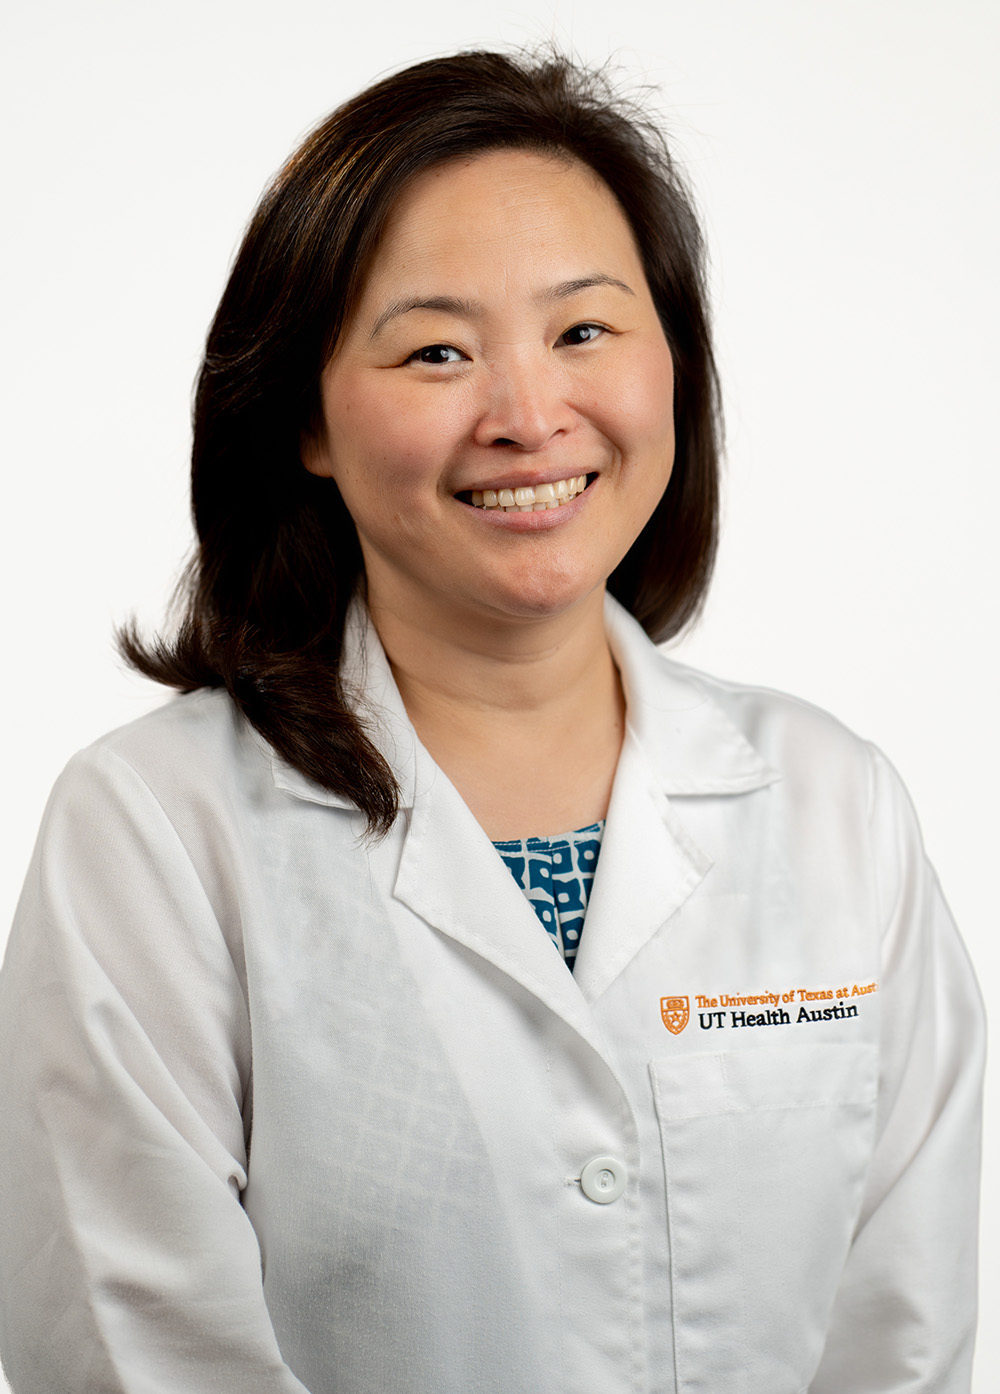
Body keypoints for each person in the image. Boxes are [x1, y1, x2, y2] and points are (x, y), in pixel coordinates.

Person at [0, 48, 984, 1394]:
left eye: (584, 330)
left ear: (672, 368)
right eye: (437, 350)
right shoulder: (155, 834)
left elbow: (903, 1344)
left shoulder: (834, 805)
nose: (529, 416)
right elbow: (137, 1355)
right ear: (308, 420)